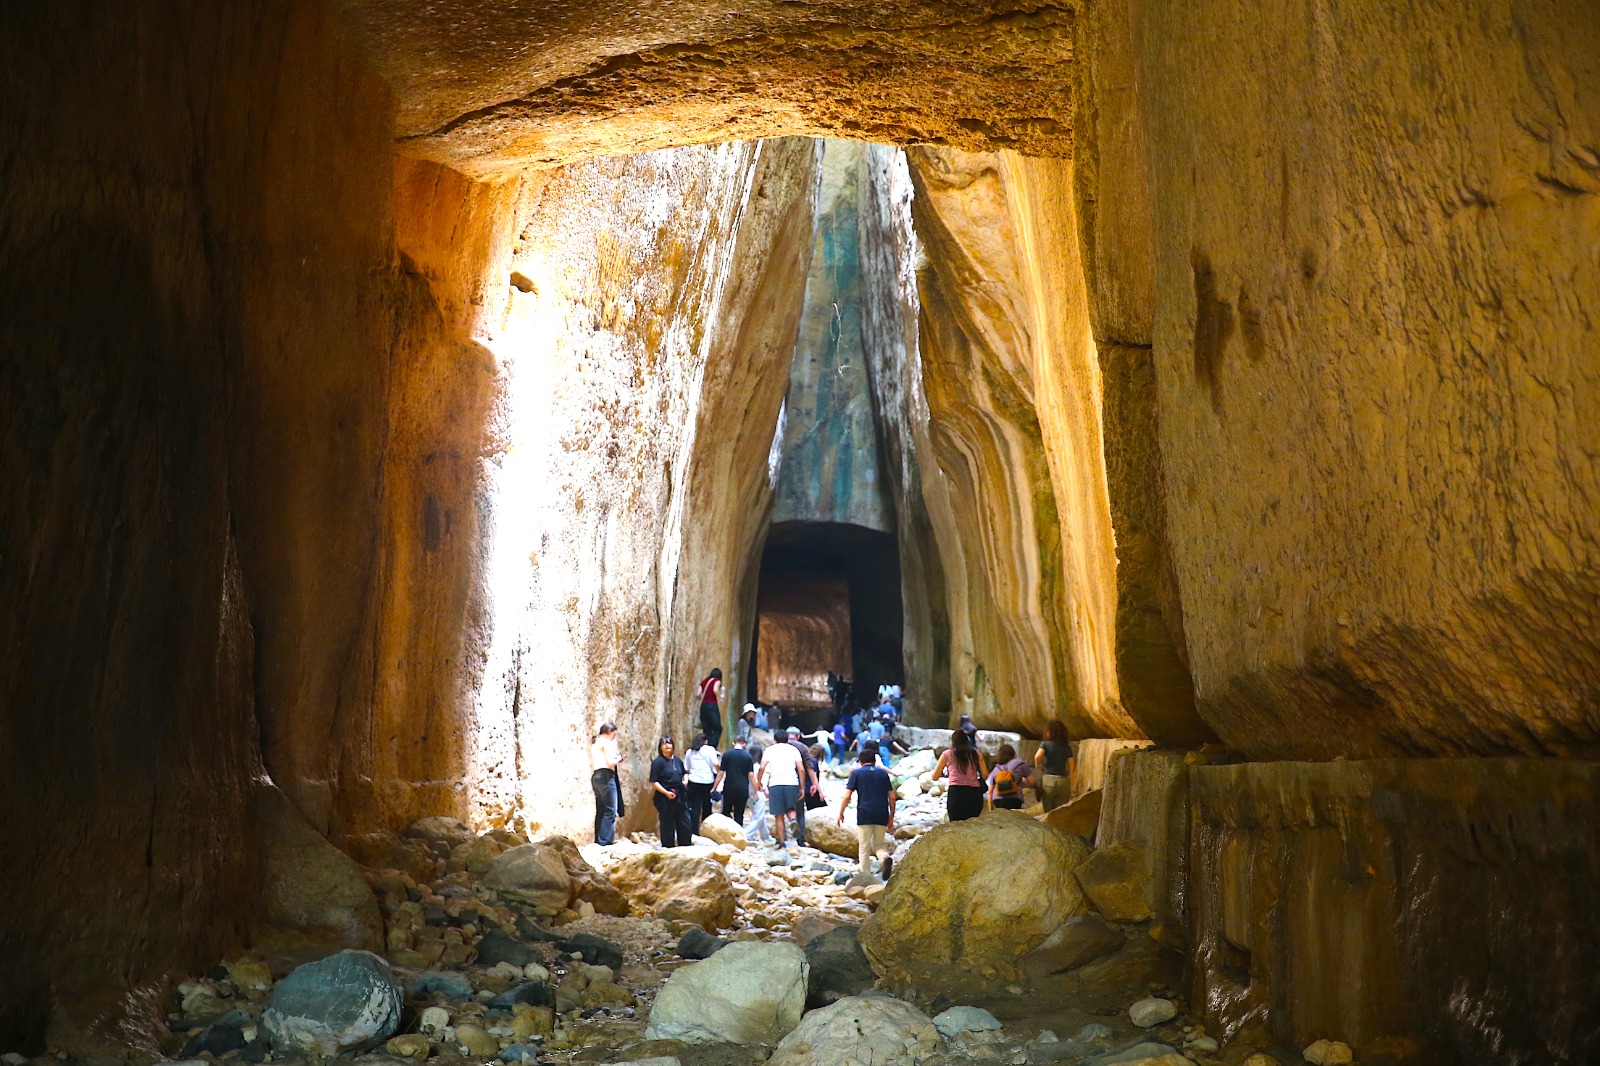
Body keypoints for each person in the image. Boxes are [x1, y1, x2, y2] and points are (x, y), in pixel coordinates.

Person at [838, 747, 897, 883]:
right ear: (874, 760)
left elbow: (847, 795)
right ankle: (884, 858)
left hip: (864, 812)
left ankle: (866, 877)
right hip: (882, 812)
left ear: (861, 761)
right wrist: (891, 815)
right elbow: (892, 796)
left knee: (864, 847)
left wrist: (841, 812)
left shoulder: (857, 773)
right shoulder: (883, 774)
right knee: (878, 845)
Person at [757, 727, 808, 847]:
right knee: (791, 808)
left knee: (778, 815)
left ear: (775, 739)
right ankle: (793, 821)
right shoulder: (794, 750)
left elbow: (762, 767)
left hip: (775, 783)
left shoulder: (769, 750)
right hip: (792, 782)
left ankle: (782, 843)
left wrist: (759, 782)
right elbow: (801, 769)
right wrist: (802, 787)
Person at [933, 728, 989, 821]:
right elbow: (986, 775)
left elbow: (934, 777)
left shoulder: (947, 754)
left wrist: (948, 774)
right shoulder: (976, 754)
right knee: (972, 825)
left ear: (953, 741)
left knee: (956, 826)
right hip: (974, 794)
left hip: (956, 794)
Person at [649, 736, 693, 847]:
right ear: (660, 747)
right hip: (665, 798)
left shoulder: (677, 760)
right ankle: (668, 849)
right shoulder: (658, 762)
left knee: (685, 824)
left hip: (680, 796)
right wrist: (666, 793)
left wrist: (685, 781)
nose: (667, 746)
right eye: (664, 744)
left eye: (669, 743)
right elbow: (654, 781)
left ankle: (685, 847)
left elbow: (684, 773)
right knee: (667, 825)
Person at [589, 722, 623, 845]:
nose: (614, 736)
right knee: (610, 810)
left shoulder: (595, 744)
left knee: (601, 810)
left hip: (596, 776)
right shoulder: (607, 743)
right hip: (607, 776)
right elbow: (610, 762)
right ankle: (605, 841)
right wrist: (619, 758)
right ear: (609, 731)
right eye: (614, 733)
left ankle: (598, 840)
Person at [715, 734, 757, 825]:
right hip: (742, 789)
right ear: (744, 744)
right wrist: (757, 789)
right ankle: (738, 835)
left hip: (729, 788)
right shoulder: (748, 756)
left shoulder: (727, 754)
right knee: (739, 815)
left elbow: (721, 773)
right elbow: (751, 775)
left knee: (725, 812)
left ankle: (727, 833)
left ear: (733, 743)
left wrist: (714, 787)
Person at [1034, 718, 1075, 810]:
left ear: (1049, 732)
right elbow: (1071, 768)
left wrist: (1038, 766)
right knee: (1060, 812)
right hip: (1063, 781)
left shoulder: (1045, 745)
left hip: (1048, 780)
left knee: (1048, 813)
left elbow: (1037, 757)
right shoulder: (1067, 748)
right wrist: (1072, 789)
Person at [684, 732, 720, 832]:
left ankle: (694, 831)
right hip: (707, 781)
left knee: (695, 807)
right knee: (707, 806)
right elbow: (716, 763)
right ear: (706, 741)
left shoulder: (689, 752)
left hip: (694, 781)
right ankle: (706, 830)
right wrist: (719, 771)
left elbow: (686, 768)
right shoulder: (710, 749)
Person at [786, 726, 814, 846]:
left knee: (781, 811)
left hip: (781, 781)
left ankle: (782, 840)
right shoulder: (803, 747)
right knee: (800, 812)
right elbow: (809, 768)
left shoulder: (779, 747)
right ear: (798, 736)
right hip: (798, 782)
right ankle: (800, 839)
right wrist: (814, 784)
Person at [986, 742, 1032, 810]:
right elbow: (1032, 781)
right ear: (1013, 754)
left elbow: (990, 791)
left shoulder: (996, 769)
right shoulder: (1020, 764)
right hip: (1015, 799)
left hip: (998, 800)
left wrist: (990, 809)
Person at [696, 668, 725, 749]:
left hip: (703, 706)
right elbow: (715, 690)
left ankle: (703, 746)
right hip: (712, 706)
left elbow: (697, 694)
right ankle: (711, 747)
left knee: (706, 729)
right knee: (718, 728)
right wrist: (720, 697)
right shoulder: (717, 680)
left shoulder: (704, 682)